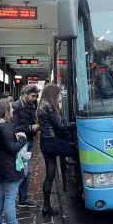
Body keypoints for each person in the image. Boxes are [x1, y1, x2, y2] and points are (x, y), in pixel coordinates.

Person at [0, 98, 31, 224]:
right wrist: (22, 139)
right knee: (10, 196)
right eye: (10, 108)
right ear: (5, 110)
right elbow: (12, 148)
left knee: (0, 195)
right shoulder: (5, 127)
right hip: (8, 165)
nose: (13, 110)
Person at [38, 83, 76, 217]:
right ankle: (78, 185)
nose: (59, 96)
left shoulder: (42, 104)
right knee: (76, 152)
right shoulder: (49, 106)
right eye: (58, 94)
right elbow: (61, 125)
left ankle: (46, 206)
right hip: (53, 142)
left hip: (44, 143)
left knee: (50, 174)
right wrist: (77, 123)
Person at [12, 85, 40, 208]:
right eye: (32, 96)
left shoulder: (31, 105)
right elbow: (14, 126)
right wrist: (30, 128)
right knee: (23, 170)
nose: (34, 99)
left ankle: (23, 198)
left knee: (27, 171)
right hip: (21, 141)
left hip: (28, 139)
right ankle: (12, 197)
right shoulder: (16, 106)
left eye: (35, 96)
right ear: (25, 93)